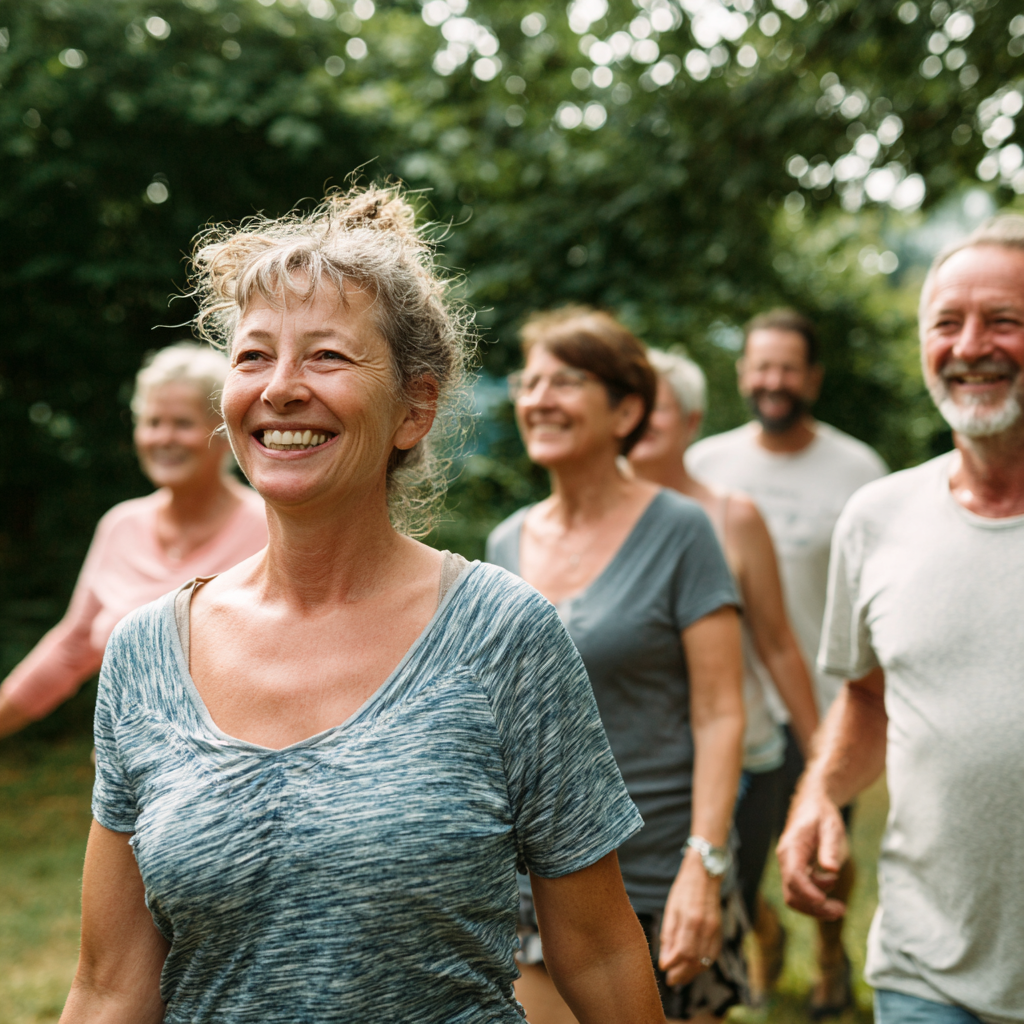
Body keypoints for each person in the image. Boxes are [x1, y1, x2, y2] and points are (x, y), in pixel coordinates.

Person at [60, 187, 665, 1024]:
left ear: (414, 409)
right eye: (252, 356)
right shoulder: (146, 653)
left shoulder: (498, 633)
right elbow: (107, 985)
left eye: (328, 358)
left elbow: (598, 952)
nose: (280, 389)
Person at [777, 216, 1024, 1024]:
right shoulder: (877, 517)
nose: (970, 346)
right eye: (946, 324)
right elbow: (870, 699)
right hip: (925, 970)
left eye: (1005, 321)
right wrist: (818, 796)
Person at [487, 307, 747, 1023]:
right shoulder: (504, 542)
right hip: (536, 881)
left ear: (626, 407)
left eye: (565, 381)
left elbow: (722, 711)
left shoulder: (681, 530)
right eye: (528, 381)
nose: (537, 399)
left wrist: (707, 863)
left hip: (662, 871)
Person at [686, 310, 886, 1013]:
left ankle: (831, 954)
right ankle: (763, 935)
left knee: (825, 850)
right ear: (742, 374)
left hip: (828, 702)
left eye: (788, 368)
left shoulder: (859, 471)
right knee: (724, 859)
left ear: (814, 378)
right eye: (761, 366)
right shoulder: (705, 463)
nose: (773, 382)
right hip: (728, 705)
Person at [628, 347, 820, 1002]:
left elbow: (777, 642)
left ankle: (751, 930)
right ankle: (758, 924)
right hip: (634, 763)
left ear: (691, 420)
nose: (638, 415)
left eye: (655, 403)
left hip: (743, 761)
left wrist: (821, 763)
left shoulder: (733, 517)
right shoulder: (589, 520)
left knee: (712, 908)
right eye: (628, 399)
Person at [0, 342, 267, 741]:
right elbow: (71, 649)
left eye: (182, 423)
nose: (164, 438)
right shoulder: (121, 526)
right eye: (153, 422)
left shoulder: (270, 526)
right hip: (132, 783)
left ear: (224, 431)